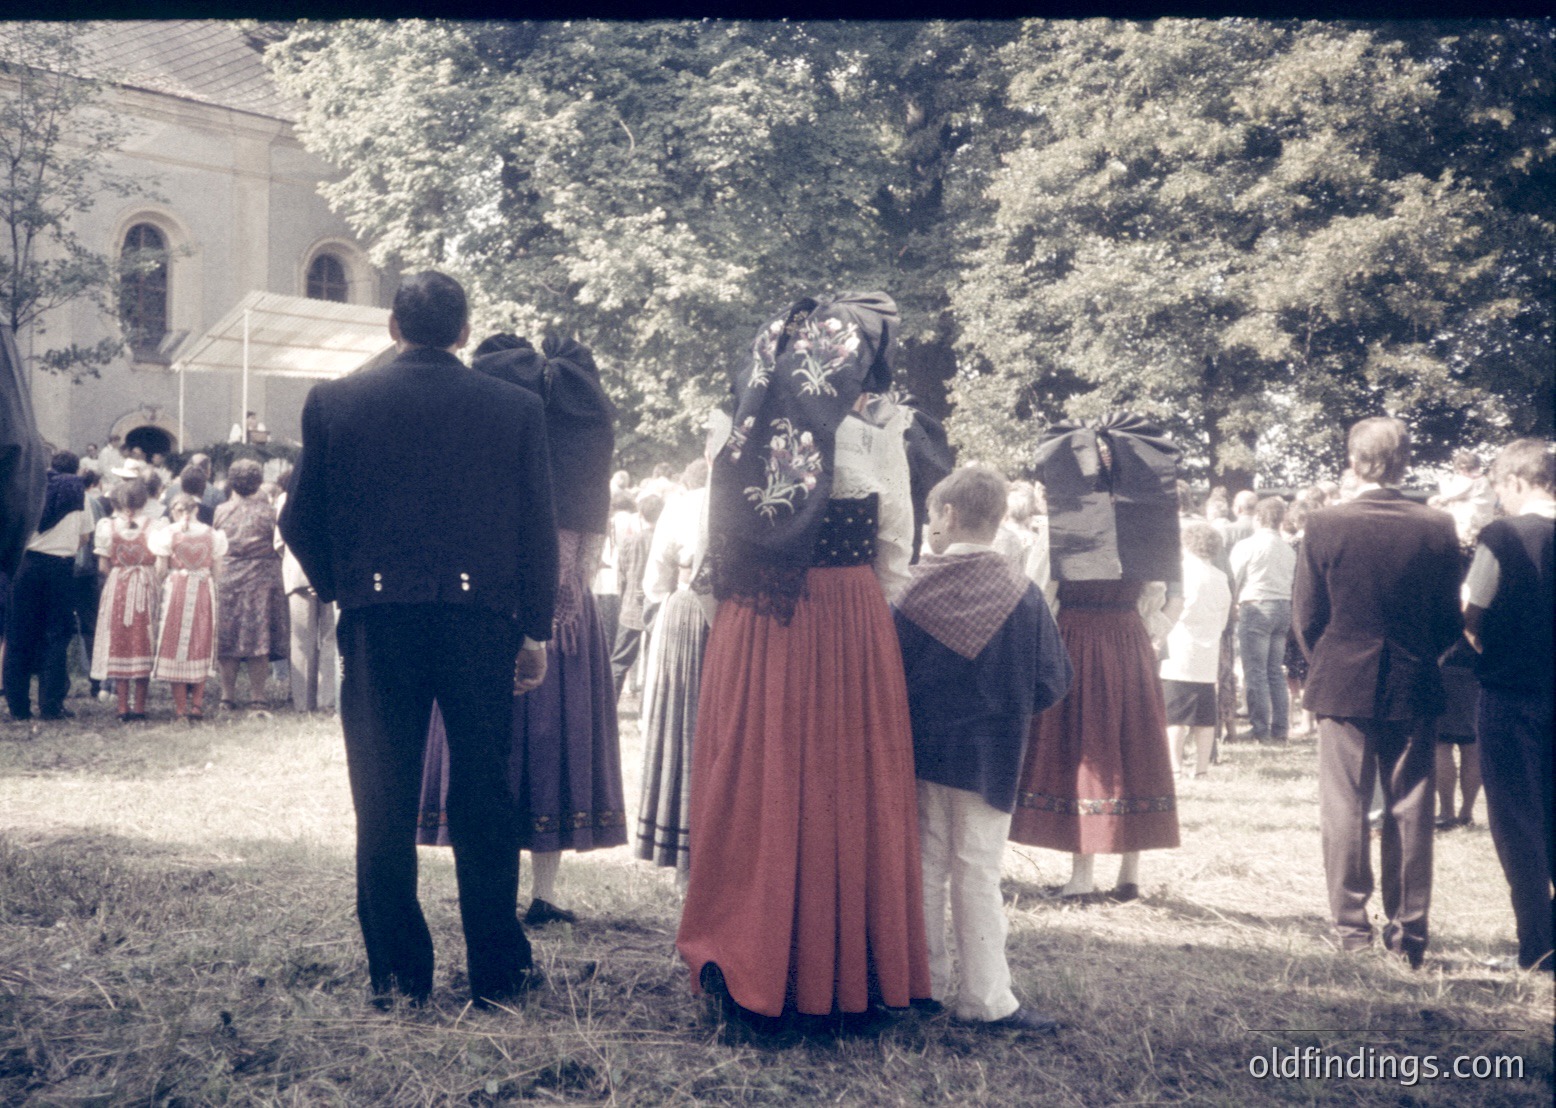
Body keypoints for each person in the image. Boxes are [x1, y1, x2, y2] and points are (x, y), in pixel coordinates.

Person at [279, 271, 558, 1007]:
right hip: (481, 624)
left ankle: (399, 976)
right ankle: (498, 968)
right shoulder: (517, 408)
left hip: (379, 619)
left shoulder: (336, 400)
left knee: (383, 797)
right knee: (485, 797)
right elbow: (537, 529)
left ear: (392, 326)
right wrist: (535, 630)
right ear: (465, 332)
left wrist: (349, 587)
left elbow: (298, 522)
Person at [678, 291, 932, 1029]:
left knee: (759, 782)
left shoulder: (732, 428)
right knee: (842, 788)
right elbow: (895, 550)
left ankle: (748, 961)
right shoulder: (873, 437)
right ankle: (844, 975)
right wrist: (869, 635)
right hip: (847, 621)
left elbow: (709, 557)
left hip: (753, 625)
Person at [417, 331, 623, 926]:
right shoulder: (585, 457)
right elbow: (585, 560)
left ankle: (492, 890)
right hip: (566, 621)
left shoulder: (484, 439)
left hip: (483, 615)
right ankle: (546, 892)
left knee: (488, 752)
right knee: (556, 747)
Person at [897, 465, 1071, 1034]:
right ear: (998, 519)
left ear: (947, 515)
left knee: (923, 866)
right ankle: (986, 999)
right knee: (977, 871)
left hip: (922, 751)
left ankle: (917, 985)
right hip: (990, 755)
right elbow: (1052, 682)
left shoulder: (908, 589)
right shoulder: (1022, 594)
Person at [1294, 417, 1462, 968]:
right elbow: (1448, 621)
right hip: (1413, 677)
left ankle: (1349, 931)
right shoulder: (1437, 525)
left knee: (1344, 806)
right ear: (1404, 461)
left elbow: (1307, 618)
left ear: (1354, 459)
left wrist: (1334, 657)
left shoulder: (1323, 523)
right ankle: (1409, 935)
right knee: (1412, 806)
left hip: (1343, 678)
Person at [1009, 413, 1183, 899]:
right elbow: (1165, 595)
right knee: (1130, 745)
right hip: (1128, 640)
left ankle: (1082, 878)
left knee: (1085, 748)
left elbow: (1041, 595)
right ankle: (1130, 874)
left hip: (1078, 640)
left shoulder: (1063, 529)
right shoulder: (1145, 525)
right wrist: (1146, 636)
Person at [1462, 438, 1554, 972]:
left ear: (1516, 482)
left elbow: (1472, 612)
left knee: (1518, 821)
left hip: (1511, 692)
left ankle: (1538, 946)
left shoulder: (1503, 534)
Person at [636, 449, 718, 883]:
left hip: (687, 612)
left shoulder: (684, 504)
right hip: (743, 614)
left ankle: (684, 860)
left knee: (684, 729)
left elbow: (657, 580)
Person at [4, 451, 91, 721]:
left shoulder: (29, 489)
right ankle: (51, 704)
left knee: (18, 634)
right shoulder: (78, 494)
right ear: (75, 469)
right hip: (59, 567)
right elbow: (84, 537)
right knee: (56, 635)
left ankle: (18, 705)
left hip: (26, 564)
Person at [214, 459, 288, 709]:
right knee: (260, 636)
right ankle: (258, 696)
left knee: (228, 635)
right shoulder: (269, 513)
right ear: (258, 483)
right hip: (262, 579)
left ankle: (227, 695)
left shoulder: (221, 511)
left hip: (229, 576)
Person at [1162, 521, 1233, 778]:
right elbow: (1224, 619)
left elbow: (1175, 609)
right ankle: (1202, 769)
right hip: (1208, 650)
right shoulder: (1221, 576)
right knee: (1205, 717)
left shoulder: (1181, 572)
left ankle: (1175, 766)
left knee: (1175, 715)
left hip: (1180, 648)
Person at [90, 479, 161, 721]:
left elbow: (102, 565)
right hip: (145, 584)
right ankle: (139, 707)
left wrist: (121, 574)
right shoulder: (155, 526)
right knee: (143, 641)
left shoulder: (107, 527)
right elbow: (161, 563)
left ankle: (122, 707)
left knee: (119, 641)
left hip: (118, 585)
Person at [151, 493, 225, 720]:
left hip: (177, 588)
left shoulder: (167, 534)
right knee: (200, 640)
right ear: (196, 510)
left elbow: (161, 570)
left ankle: (181, 708)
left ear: (175, 511)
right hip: (203, 587)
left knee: (174, 641)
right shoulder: (212, 535)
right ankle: (197, 705)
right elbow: (217, 571)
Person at [1229, 497, 1296, 743]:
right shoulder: (1288, 548)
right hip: (1282, 607)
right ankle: (1280, 729)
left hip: (1256, 606)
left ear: (1258, 517)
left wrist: (1230, 606)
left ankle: (1260, 729)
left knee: (1255, 672)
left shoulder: (1248, 545)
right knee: (1275, 671)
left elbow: (1233, 580)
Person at [610, 490, 664, 699]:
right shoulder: (662, 539)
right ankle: (646, 712)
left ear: (641, 514)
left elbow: (622, 574)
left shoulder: (630, 541)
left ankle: (610, 707)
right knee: (653, 664)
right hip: (656, 605)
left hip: (631, 605)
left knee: (620, 661)